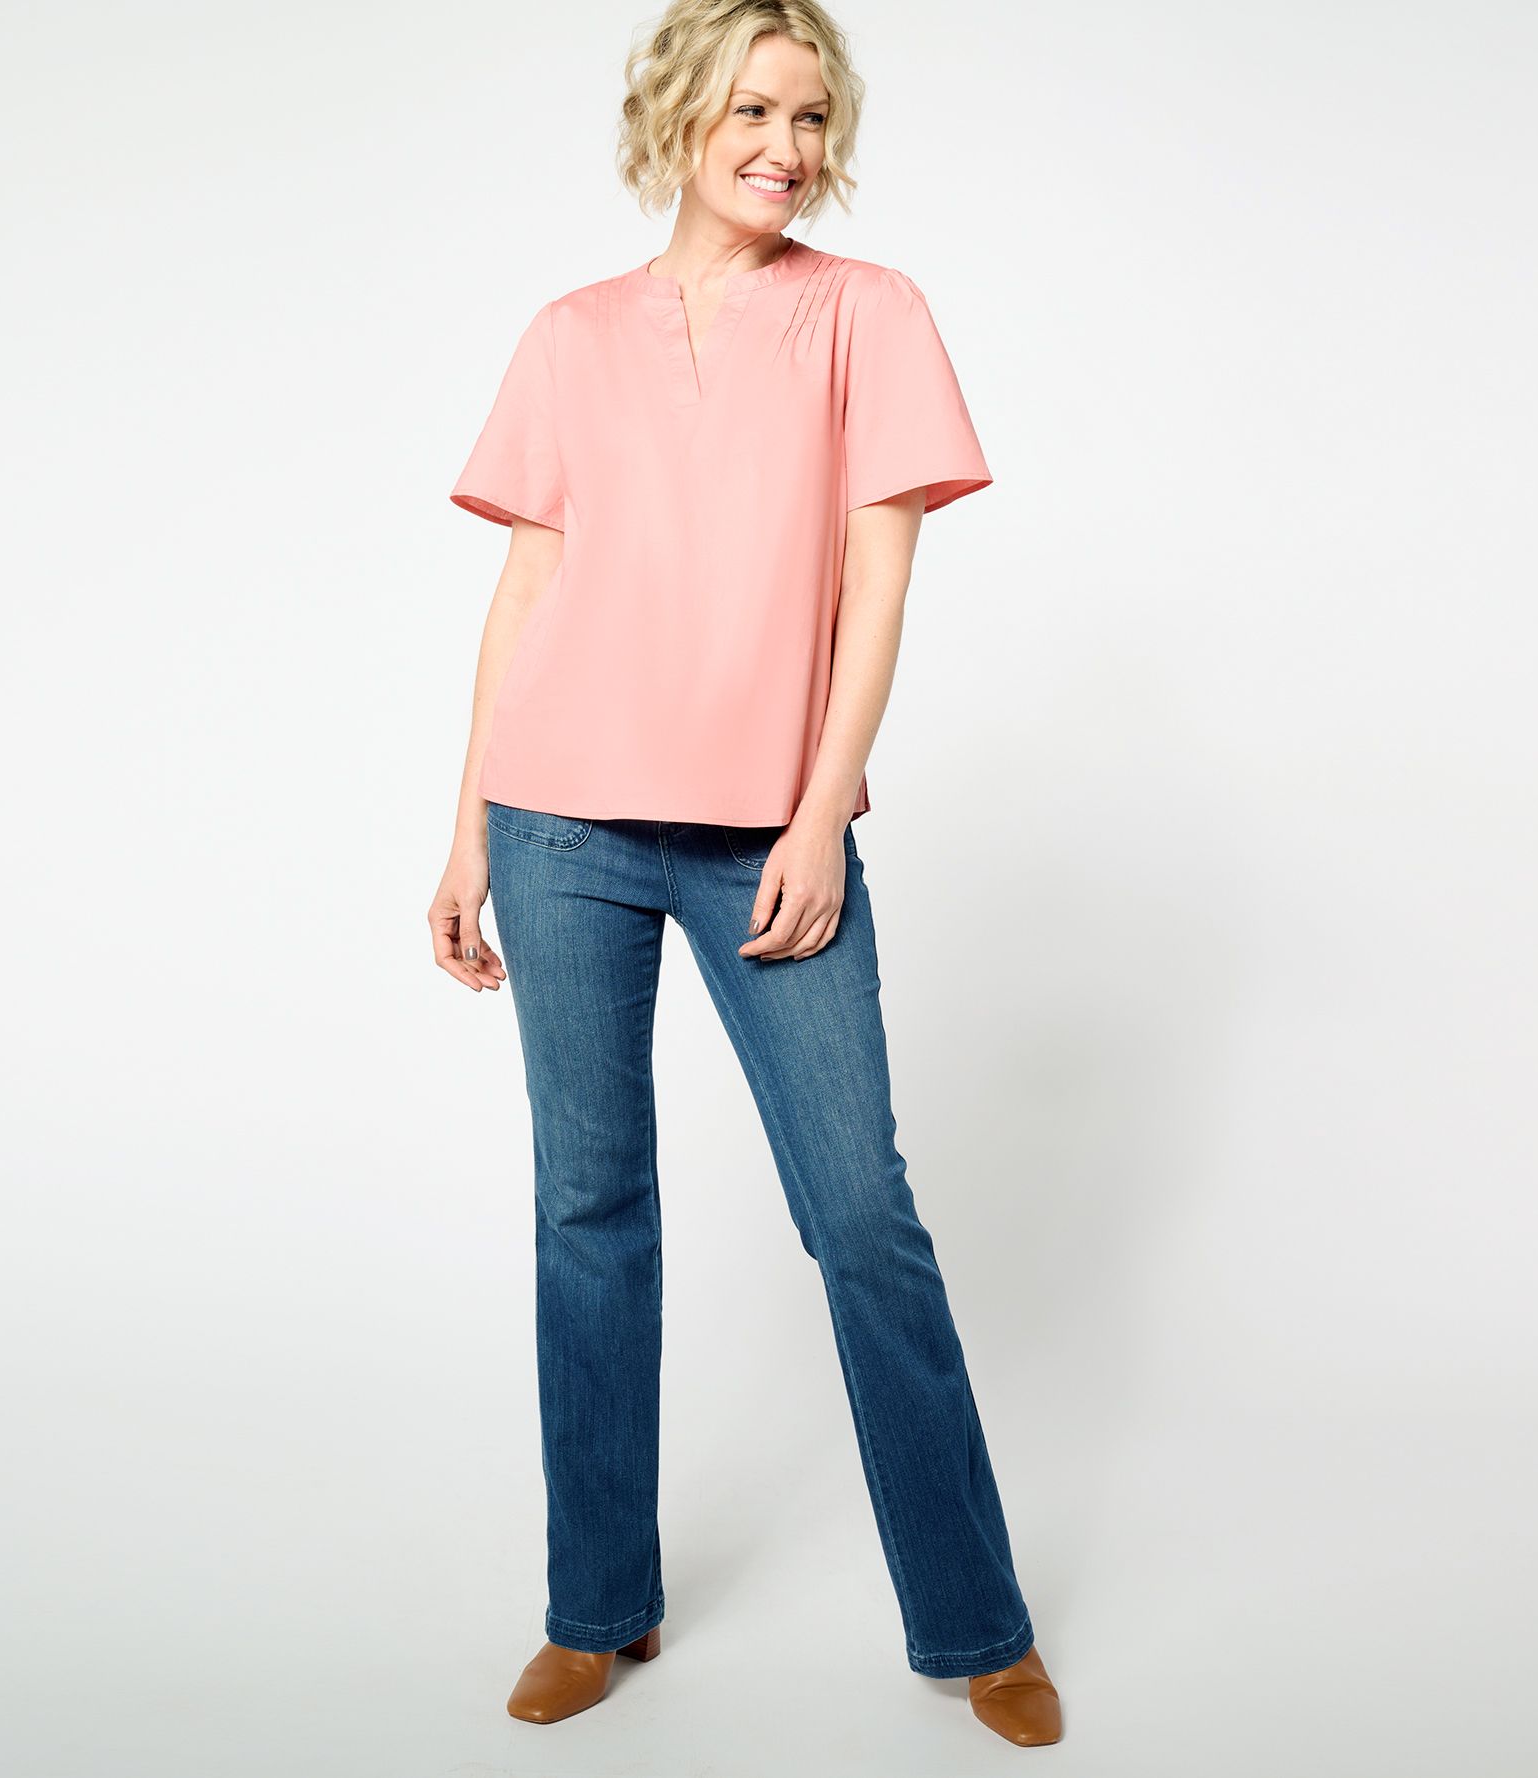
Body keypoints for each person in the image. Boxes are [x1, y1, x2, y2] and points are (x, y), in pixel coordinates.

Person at [429, 0, 1061, 1749]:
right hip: (560, 826)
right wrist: (468, 825)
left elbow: (881, 578)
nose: (786, 146)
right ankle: (595, 1604)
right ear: (679, 116)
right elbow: (528, 589)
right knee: (588, 1210)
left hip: (765, 832)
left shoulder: (868, 315)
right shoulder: (571, 334)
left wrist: (820, 809)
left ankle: (976, 1621)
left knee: (860, 1216)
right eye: (753, 110)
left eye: (811, 115)